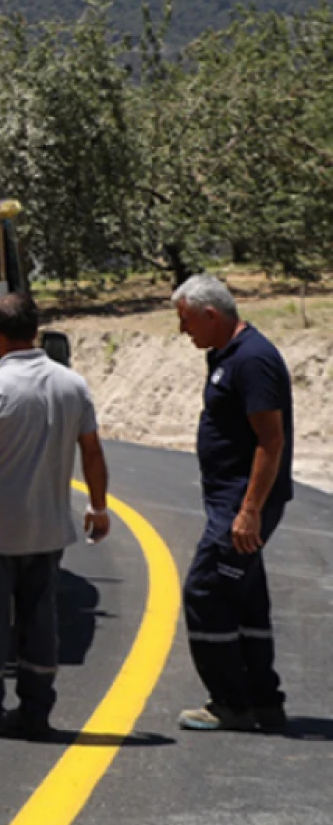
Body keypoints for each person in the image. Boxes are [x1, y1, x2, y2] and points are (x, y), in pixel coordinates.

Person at [0, 293, 109, 739]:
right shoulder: (72, 385)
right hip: (48, 532)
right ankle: (35, 712)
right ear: (36, 330)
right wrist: (98, 506)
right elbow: (91, 451)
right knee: (40, 621)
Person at [171, 274, 293, 732]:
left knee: (205, 592)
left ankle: (230, 703)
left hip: (242, 505)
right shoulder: (225, 355)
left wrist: (249, 510)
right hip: (231, 501)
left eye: (186, 320)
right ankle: (264, 702)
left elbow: (271, 439)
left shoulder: (252, 359)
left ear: (211, 314)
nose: (183, 330)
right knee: (245, 599)